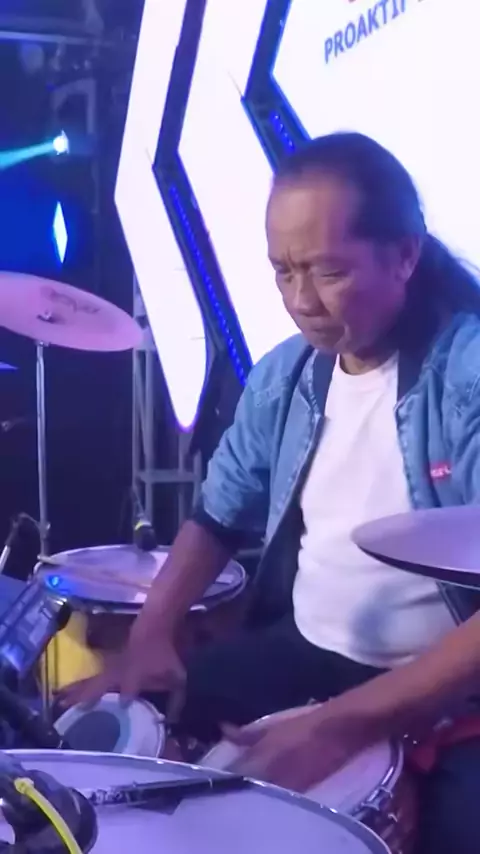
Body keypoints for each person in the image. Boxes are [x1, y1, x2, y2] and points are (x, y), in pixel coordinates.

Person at [63, 132, 480, 853]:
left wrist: (342, 726)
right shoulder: (286, 376)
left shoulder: (467, 374)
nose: (300, 301)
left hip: (451, 683)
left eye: (329, 272)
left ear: (405, 256)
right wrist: (153, 634)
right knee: (156, 734)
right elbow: (216, 515)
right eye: (283, 272)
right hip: (311, 650)